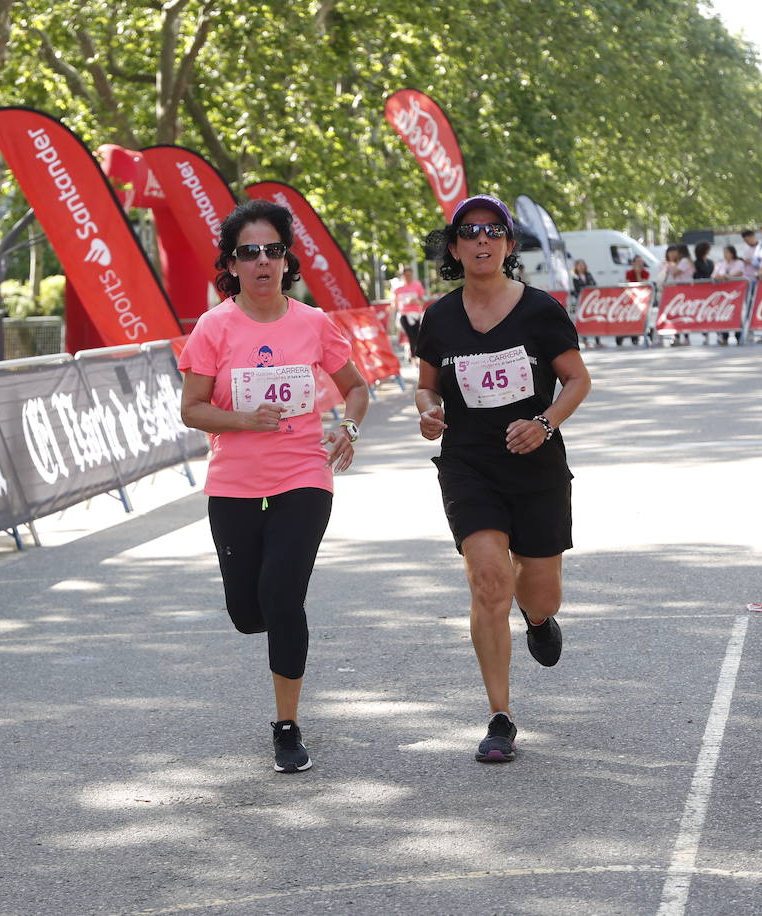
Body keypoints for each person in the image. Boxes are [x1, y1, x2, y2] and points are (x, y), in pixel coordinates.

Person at [178, 199, 369, 775]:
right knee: (248, 610)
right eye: (249, 252)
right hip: (234, 483)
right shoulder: (214, 327)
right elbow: (191, 409)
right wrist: (242, 420)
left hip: (303, 476)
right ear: (232, 264)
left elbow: (356, 388)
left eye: (273, 251)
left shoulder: (312, 323)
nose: (263, 261)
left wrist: (348, 427)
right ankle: (267, 620)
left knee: (284, 596)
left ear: (287, 260)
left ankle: (287, 726)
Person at [415, 194, 591, 763]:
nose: (482, 241)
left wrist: (544, 423)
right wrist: (427, 410)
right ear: (456, 247)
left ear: (510, 246)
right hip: (469, 466)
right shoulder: (439, 318)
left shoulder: (539, 310)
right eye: (470, 232)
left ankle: (538, 620)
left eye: (494, 232)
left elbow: (577, 382)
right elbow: (426, 386)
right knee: (488, 580)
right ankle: (500, 716)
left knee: (540, 590)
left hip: (536, 467)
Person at [659, 245, 694, 345]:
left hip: (682, 292)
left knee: (682, 314)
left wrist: (670, 265)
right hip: (676, 292)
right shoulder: (683, 262)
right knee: (677, 315)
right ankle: (678, 336)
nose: (674, 254)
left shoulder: (683, 262)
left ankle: (684, 336)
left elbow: (675, 273)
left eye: (675, 252)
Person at [392, 266, 428, 362]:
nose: (408, 277)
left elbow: (423, 301)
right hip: (404, 315)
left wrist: (415, 301)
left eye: (410, 275)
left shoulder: (417, 285)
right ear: (403, 275)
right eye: (406, 275)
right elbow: (394, 304)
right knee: (411, 336)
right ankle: (414, 358)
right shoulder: (398, 288)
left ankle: (414, 355)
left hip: (416, 315)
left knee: (416, 336)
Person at [712, 245, 746, 344]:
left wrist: (727, 276)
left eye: (727, 252)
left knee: (737, 313)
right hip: (723, 294)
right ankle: (724, 336)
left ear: (732, 252)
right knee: (723, 313)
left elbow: (739, 273)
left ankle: (738, 336)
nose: (725, 254)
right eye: (724, 252)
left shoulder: (739, 262)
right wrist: (717, 277)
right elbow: (714, 275)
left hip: (736, 293)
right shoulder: (720, 263)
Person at [619, 255, 650, 347]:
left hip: (641, 300)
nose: (639, 264)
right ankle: (631, 335)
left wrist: (638, 274)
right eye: (637, 262)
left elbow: (643, 284)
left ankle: (638, 335)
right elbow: (626, 284)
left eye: (641, 262)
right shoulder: (629, 273)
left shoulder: (645, 273)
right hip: (631, 300)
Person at [571, 259, 600, 348]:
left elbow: (594, 284)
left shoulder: (588, 275)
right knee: (583, 320)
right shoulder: (575, 277)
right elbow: (577, 289)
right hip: (581, 302)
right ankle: (585, 340)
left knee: (594, 319)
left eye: (582, 265)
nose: (581, 267)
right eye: (579, 265)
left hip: (590, 302)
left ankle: (597, 340)